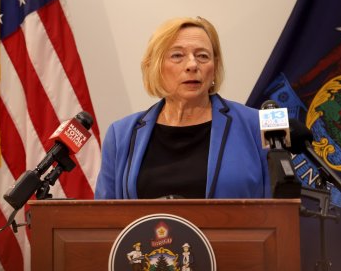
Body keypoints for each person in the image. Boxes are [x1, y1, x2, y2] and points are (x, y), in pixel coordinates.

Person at [95, 17, 269, 199]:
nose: (192, 65)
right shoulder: (121, 134)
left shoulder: (259, 125)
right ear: (155, 67)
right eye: (177, 55)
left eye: (203, 56)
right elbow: (104, 213)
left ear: (215, 66)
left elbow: (282, 205)